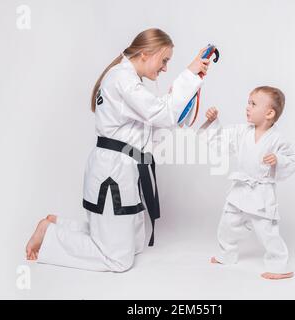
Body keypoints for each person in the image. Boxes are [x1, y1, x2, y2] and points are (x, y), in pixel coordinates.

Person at [26, 28, 210, 272]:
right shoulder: (121, 78)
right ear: (145, 54)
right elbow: (162, 113)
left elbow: (158, 121)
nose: (165, 68)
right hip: (112, 172)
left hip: (123, 168)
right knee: (118, 260)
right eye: (164, 60)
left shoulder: (130, 80)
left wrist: (193, 82)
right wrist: (188, 73)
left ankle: (56, 224)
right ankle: (50, 235)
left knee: (134, 244)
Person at [202, 86, 295, 280]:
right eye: (248, 102)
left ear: (269, 113)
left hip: (261, 191)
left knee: (266, 230)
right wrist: (213, 122)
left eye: (253, 104)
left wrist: (278, 159)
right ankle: (227, 254)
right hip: (240, 187)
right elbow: (221, 141)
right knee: (228, 222)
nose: (247, 107)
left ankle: (279, 265)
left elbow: (292, 161)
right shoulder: (242, 131)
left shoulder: (278, 139)